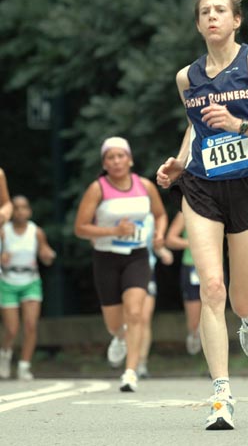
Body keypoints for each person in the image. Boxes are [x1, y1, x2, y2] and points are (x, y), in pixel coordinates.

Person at [156, 0, 248, 430]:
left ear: (236, 20)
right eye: (205, 12)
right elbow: (194, 128)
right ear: (198, 24)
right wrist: (179, 163)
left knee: (239, 297)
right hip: (201, 188)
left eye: (221, 10)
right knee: (210, 289)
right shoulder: (187, 78)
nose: (212, 17)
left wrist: (240, 124)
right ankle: (221, 394)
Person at [74, 136, 168, 392]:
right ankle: (118, 337)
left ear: (130, 159)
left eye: (120, 156)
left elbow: (160, 215)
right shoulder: (98, 189)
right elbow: (80, 228)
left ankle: (130, 372)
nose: (116, 162)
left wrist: (159, 234)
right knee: (115, 323)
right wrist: (114, 231)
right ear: (104, 163)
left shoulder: (145, 185)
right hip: (106, 258)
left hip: (137, 257)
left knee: (136, 313)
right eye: (110, 157)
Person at [0, 195, 56, 380]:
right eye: (16, 208)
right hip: (7, 281)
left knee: (31, 325)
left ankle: (24, 365)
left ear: (29, 211)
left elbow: (45, 255)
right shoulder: (4, 231)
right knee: (12, 328)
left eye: (24, 207)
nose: (20, 211)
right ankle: (5, 354)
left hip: (30, 280)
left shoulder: (36, 232)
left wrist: (47, 255)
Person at [137, 214, 174, 379]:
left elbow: (155, 243)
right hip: (120, 269)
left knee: (144, 317)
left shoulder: (150, 218)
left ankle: (141, 364)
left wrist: (163, 252)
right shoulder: (116, 209)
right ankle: (122, 344)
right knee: (129, 317)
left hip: (146, 268)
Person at [165, 211, 202, 356]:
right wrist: (193, 243)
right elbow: (170, 239)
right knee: (194, 321)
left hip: (215, 265)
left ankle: (212, 361)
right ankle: (194, 335)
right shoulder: (186, 211)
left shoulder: (220, 204)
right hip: (192, 266)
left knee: (215, 312)